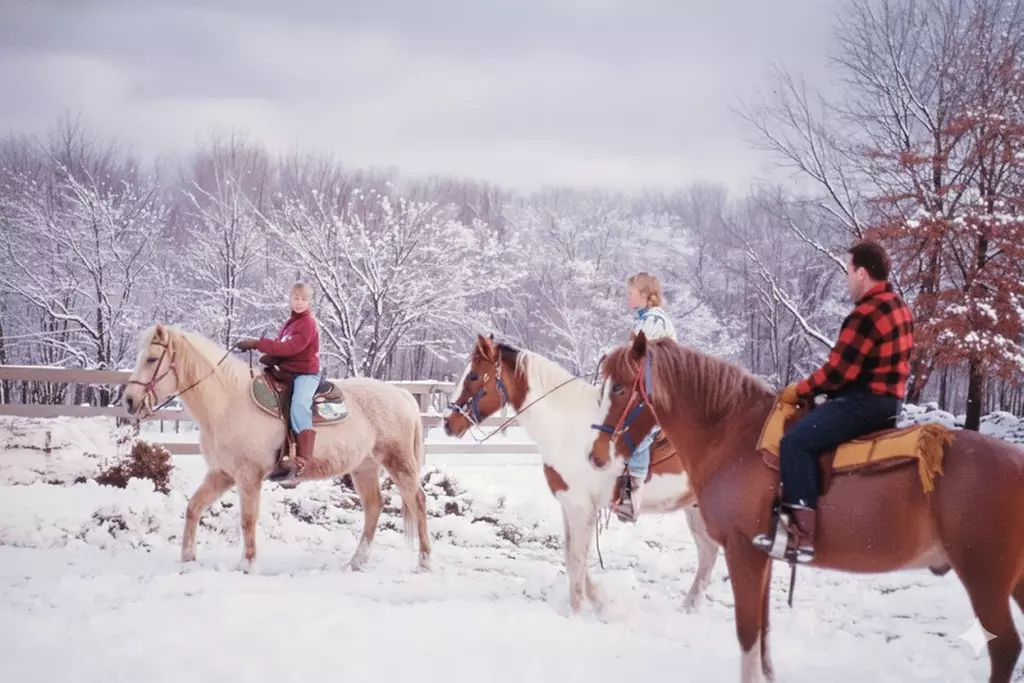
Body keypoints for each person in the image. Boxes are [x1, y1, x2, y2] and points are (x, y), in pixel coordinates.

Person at [756, 240, 914, 562]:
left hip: (863, 403)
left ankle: (800, 537)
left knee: (795, 443)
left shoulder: (866, 314)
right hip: (889, 403)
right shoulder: (898, 305)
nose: (846, 278)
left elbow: (837, 373)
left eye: (848, 271)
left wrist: (799, 391)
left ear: (861, 272)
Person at [235, 281, 321, 480]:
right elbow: (285, 348)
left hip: (305, 373)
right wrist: (273, 358)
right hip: (288, 371)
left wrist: (258, 344)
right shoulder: (290, 323)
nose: (299, 302)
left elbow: (292, 348)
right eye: (296, 298)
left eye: (303, 299)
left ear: (309, 302)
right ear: (290, 299)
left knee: (299, 406)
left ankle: (303, 458)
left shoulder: (307, 322)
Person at [613, 272, 678, 523]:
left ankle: (633, 498)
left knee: (640, 431)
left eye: (631, 292)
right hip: (644, 387)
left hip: (660, 388)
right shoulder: (642, 319)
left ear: (643, 295)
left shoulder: (654, 320)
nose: (627, 296)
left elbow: (646, 360)